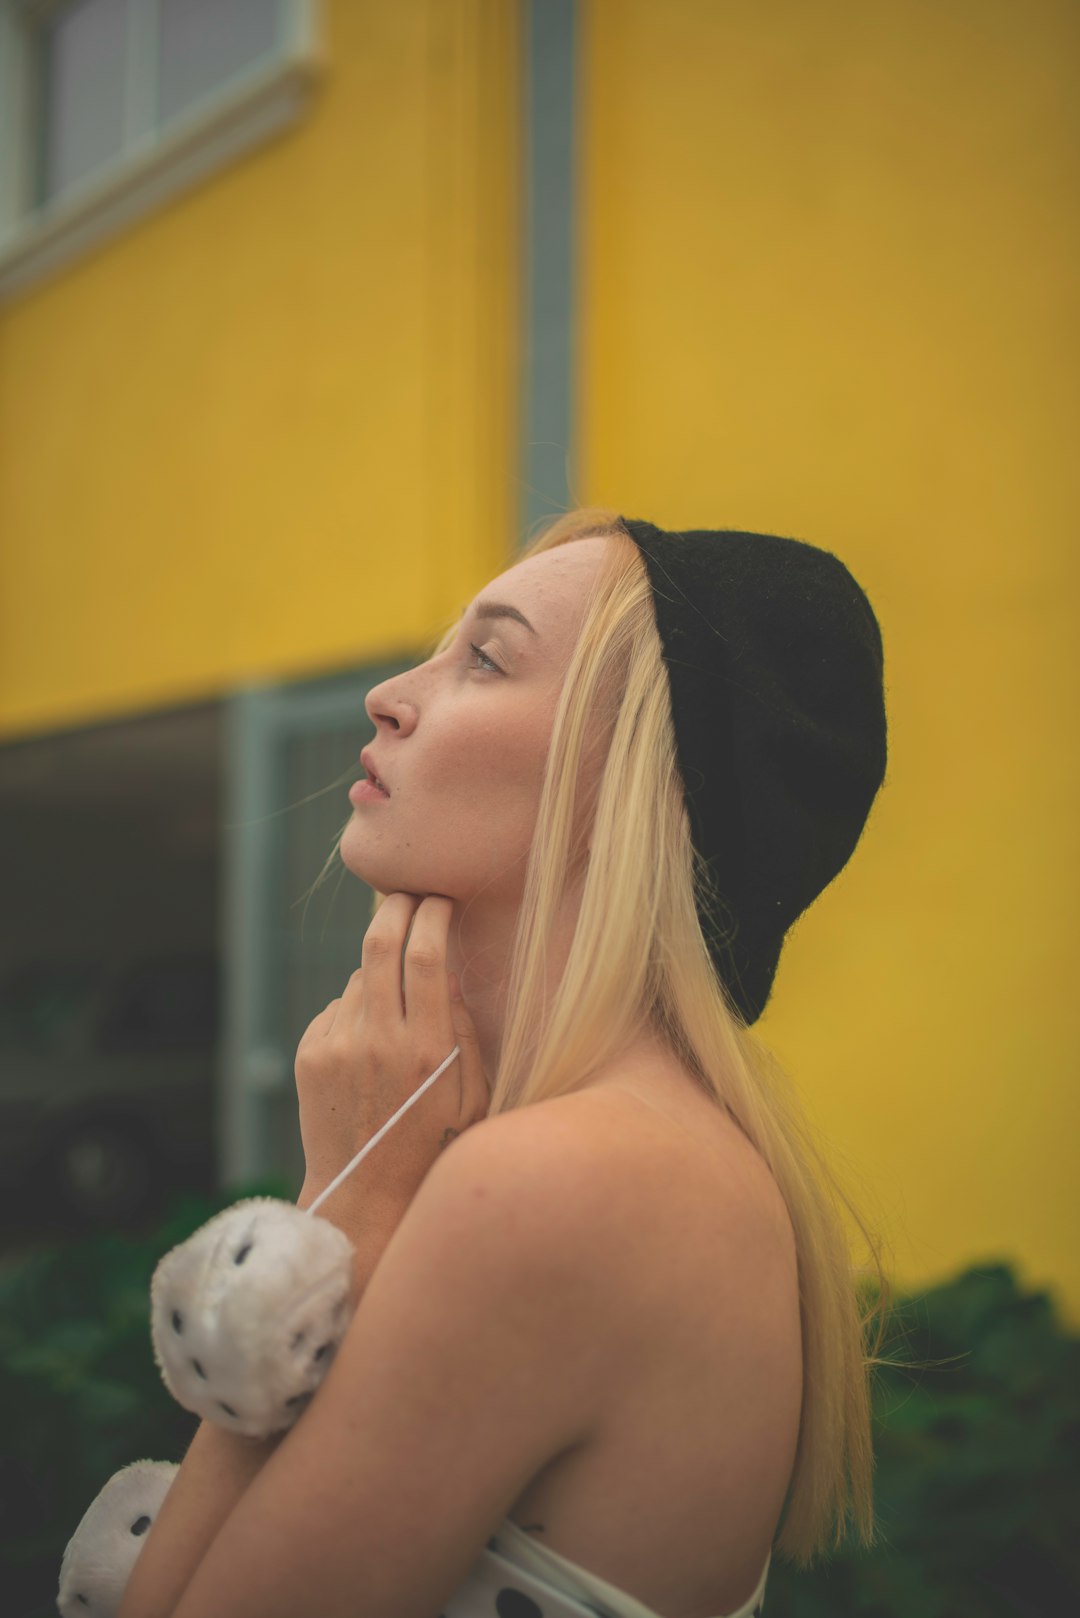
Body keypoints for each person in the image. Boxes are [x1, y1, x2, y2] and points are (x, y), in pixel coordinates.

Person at [119, 510, 890, 1618]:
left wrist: (341, 1213)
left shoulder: (559, 1182)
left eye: (486, 657)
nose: (391, 692)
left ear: (645, 784)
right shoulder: (659, 1154)